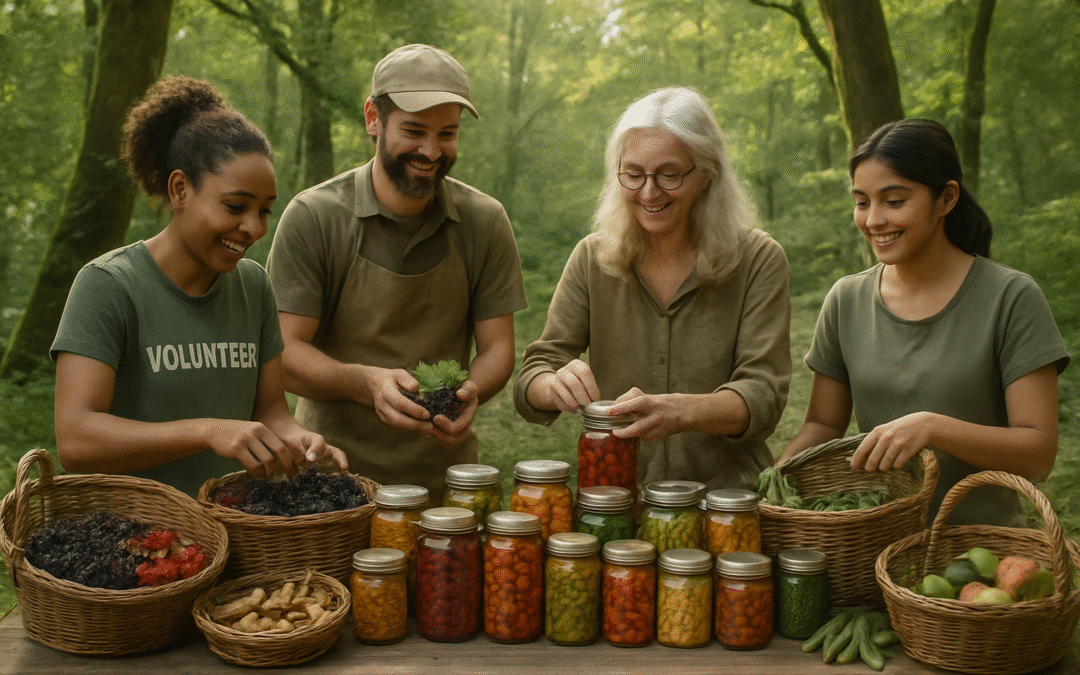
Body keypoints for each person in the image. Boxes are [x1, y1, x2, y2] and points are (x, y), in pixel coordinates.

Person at [52, 76, 347, 498]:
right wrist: (206, 431)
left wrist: (296, 438)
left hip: (236, 528)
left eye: (264, 211)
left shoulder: (253, 286)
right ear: (180, 189)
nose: (253, 228)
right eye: (235, 206)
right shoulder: (108, 286)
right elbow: (77, 440)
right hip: (136, 540)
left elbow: (270, 410)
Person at [266, 44, 527, 503]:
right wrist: (364, 382)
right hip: (332, 482)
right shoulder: (315, 216)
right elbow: (283, 354)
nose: (430, 150)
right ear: (373, 118)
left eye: (447, 133)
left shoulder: (484, 220)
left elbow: (498, 349)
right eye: (414, 130)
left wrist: (471, 392)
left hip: (450, 486)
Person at [778, 118, 1070, 525]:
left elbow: (1038, 455)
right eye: (862, 202)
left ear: (946, 199)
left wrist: (933, 427)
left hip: (980, 558)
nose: (874, 220)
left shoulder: (1011, 298)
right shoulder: (846, 299)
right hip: (872, 548)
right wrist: (771, 484)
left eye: (894, 201)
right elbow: (824, 424)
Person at [513, 87, 791, 492]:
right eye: (634, 174)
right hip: (615, 499)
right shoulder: (593, 258)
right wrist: (553, 386)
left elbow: (763, 396)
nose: (648, 192)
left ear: (706, 175)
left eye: (669, 174)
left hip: (727, 501)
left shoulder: (758, 259)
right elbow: (533, 376)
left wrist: (681, 412)